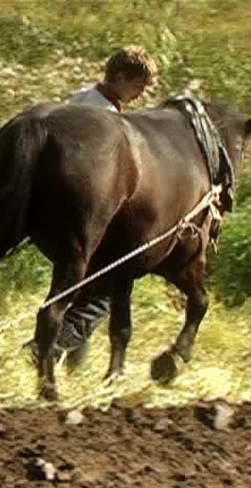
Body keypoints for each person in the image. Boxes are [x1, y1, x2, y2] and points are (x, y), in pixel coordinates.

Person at [59, 46, 158, 368]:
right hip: (93, 213)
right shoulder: (106, 117)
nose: (141, 94)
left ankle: (75, 362)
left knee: (78, 286)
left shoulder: (79, 98)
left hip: (68, 211)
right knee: (104, 287)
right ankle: (59, 344)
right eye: (138, 86)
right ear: (118, 78)